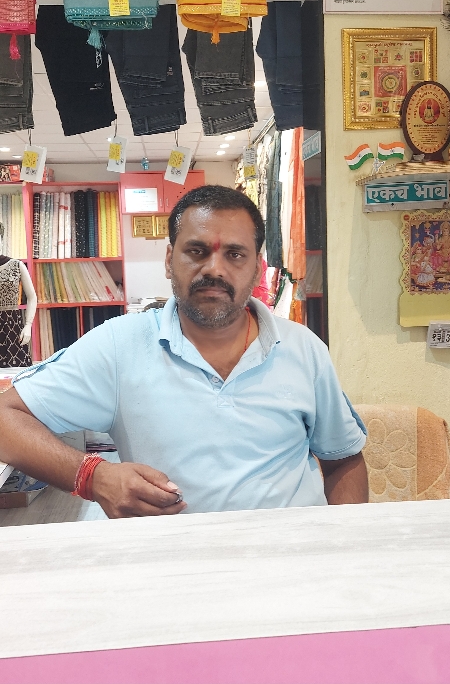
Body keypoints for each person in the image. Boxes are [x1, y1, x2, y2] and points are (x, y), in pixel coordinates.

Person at [0, 186, 368, 518]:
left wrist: (346, 547)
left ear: (258, 269)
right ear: (168, 260)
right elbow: (4, 419)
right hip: (172, 563)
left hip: (295, 560)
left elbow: (343, 459)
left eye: (235, 254)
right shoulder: (119, 346)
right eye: (196, 251)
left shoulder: (304, 348)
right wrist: (92, 477)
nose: (214, 269)